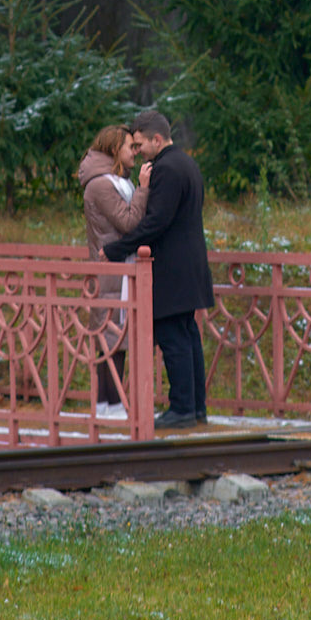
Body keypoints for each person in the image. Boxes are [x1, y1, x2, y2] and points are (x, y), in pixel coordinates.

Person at [103, 109, 212, 429]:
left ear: (157, 139)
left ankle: (181, 409)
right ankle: (195, 408)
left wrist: (116, 248)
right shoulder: (188, 163)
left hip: (171, 269)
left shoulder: (165, 168)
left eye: (139, 145)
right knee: (188, 336)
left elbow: (156, 223)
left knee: (173, 338)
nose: (137, 152)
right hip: (190, 265)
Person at [77, 124, 148, 419]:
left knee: (114, 337)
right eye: (130, 146)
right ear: (114, 148)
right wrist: (144, 190)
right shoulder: (101, 185)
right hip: (109, 271)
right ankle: (110, 405)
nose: (135, 152)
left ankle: (107, 405)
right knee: (111, 337)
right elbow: (128, 223)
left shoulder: (116, 181)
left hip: (119, 268)